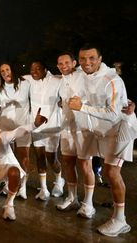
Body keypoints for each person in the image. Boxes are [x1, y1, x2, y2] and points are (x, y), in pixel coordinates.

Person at [69, 45, 133, 237]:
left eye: (91, 58)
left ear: (100, 59)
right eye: (82, 59)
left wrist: (82, 108)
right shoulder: (82, 73)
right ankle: (90, 205)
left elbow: (114, 114)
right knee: (92, 164)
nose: (87, 62)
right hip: (100, 130)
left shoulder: (112, 79)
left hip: (120, 128)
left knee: (112, 172)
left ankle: (121, 220)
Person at [0, 108, 47, 220]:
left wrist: (34, 125)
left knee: (14, 172)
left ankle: (9, 204)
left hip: (7, 167)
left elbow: (17, 132)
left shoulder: (1, 136)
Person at [55, 52, 96, 214]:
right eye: (60, 63)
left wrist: (128, 102)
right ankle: (72, 198)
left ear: (74, 63)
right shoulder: (60, 80)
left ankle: (88, 203)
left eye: (66, 62)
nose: (63, 66)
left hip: (83, 127)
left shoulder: (84, 74)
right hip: (66, 127)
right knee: (67, 162)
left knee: (85, 165)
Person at [24, 61, 64, 200]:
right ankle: (44, 189)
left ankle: (59, 181)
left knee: (52, 158)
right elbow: (9, 74)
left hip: (53, 126)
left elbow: (73, 83)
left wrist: (63, 101)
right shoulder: (29, 79)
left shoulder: (57, 80)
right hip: (36, 126)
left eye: (37, 68)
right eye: (32, 69)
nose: (34, 71)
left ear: (45, 69)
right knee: (40, 157)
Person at [0, 62, 31, 199]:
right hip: (5, 125)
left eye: (7, 70)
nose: (5, 73)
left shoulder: (26, 82)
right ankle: (8, 183)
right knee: (7, 156)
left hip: (22, 125)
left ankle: (23, 187)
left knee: (23, 157)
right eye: (2, 71)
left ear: (12, 70)